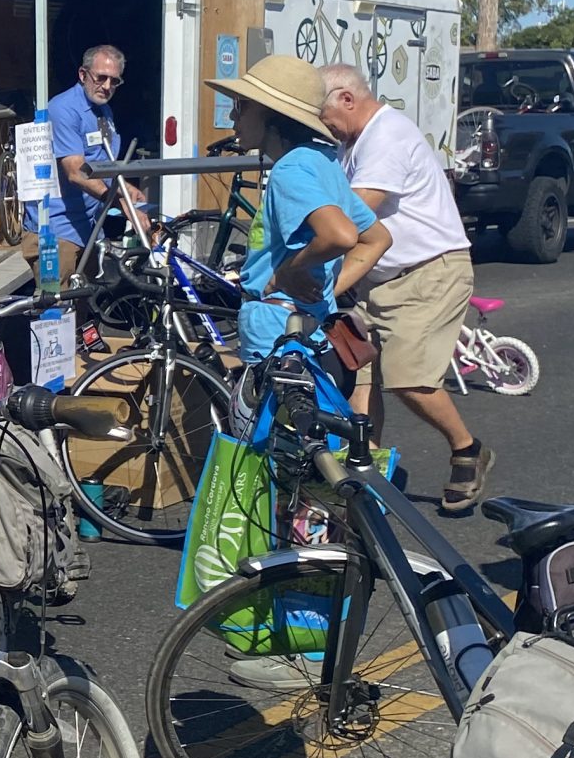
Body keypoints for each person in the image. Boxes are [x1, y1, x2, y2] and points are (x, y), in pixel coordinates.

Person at [322, 64, 496, 513]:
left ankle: (467, 449)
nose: (321, 122)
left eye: (322, 111)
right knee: (360, 379)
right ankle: (365, 472)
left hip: (428, 271)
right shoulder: (352, 142)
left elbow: (356, 215)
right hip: (377, 280)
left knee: (408, 379)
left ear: (346, 98)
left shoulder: (386, 136)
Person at [205, 54, 392, 365]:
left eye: (242, 106)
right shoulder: (322, 161)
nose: (233, 118)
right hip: (312, 326)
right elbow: (377, 238)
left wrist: (288, 271)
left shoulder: (289, 169)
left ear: (270, 114)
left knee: (266, 414)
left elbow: (341, 235)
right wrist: (325, 288)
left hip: (277, 331)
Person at [45, 44, 146, 283]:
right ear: (83, 75)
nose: (107, 87)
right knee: (57, 311)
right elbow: (76, 172)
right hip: (60, 231)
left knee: (85, 309)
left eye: (115, 81)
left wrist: (124, 188)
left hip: (90, 228)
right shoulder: (63, 109)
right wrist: (119, 203)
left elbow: (103, 163)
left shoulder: (104, 111)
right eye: (101, 78)